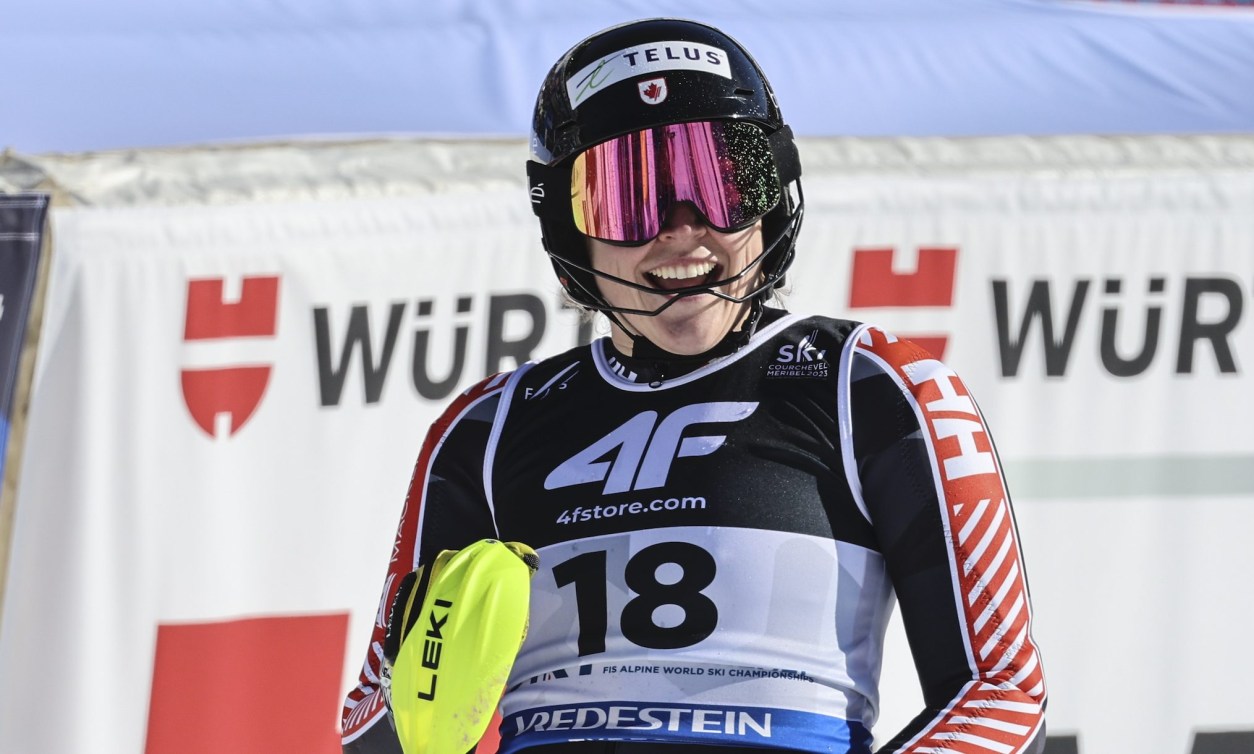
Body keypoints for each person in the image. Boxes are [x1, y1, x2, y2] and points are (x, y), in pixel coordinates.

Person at [342, 17, 1046, 754]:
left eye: (720, 182)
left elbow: (999, 694)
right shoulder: (487, 426)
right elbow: (371, 712)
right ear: (567, 234)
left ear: (774, 198)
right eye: (628, 199)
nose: (682, 232)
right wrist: (416, 702)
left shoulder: (874, 386)